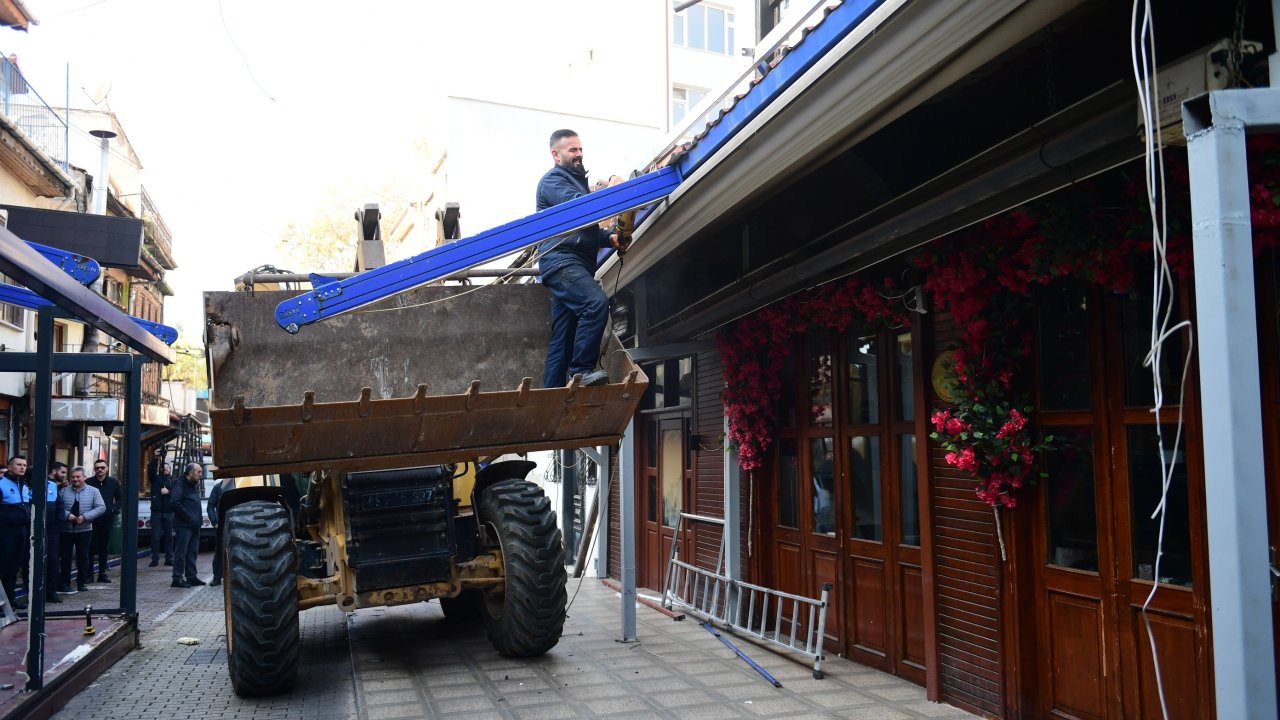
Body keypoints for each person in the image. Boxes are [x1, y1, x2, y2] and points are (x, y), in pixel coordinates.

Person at [536, 129, 624, 389]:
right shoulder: (553, 181)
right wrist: (611, 186)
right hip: (562, 261)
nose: (579, 154)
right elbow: (581, 209)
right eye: (572, 150)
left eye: (580, 149)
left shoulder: (576, 183)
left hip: (573, 264)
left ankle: (550, 397)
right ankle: (581, 371)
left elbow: (585, 230)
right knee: (595, 304)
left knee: (562, 339)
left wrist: (608, 238)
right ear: (556, 154)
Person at [58, 466, 104, 594]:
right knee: (65, 557)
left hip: (84, 530)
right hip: (66, 530)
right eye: (73, 477)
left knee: (83, 557)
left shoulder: (94, 491)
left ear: (84, 477)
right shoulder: (63, 491)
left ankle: (82, 582)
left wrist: (85, 517)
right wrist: (67, 515)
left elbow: (101, 507)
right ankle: (65, 582)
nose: (75, 479)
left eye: (78, 476)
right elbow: (58, 508)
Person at [0, 455, 30, 606]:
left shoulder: (23, 485)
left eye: (24, 465)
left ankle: (10, 600)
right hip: (6, 532)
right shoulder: (1, 484)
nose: (22, 467)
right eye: (19, 465)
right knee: (3, 566)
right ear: (9, 467)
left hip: (21, 530)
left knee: (13, 566)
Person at [170, 462, 205, 589]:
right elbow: (174, 503)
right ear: (190, 473)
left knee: (192, 552)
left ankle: (191, 576)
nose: (201, 474)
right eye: (199, 472)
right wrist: (189, 518)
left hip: (194, 526)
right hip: (184, 525)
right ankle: (177, 578)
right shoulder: (180, 484)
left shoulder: (192, 485)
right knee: (181, 552)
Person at [87, 460, 121, 583]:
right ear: (94, 469)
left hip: (107, 519)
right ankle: (89, 574)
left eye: (102, 467)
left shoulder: (113, 482)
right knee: (90, 547)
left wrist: (113, 509)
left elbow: (120, 498)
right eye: (97, 468)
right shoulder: (88, 482)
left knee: (103, 547)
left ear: (107, 468)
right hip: (92, 520)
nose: (100, 470)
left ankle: (102, 573)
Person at [43, 463, 66, 604]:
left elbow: (60, 507)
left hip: (52, 531)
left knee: (52, 560)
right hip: (33, 529)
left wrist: (57, 525)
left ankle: (51, 591)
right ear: (53, 471)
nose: (64, 475)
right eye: (62, 472)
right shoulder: (27, 485)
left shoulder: (53, 486)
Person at [206, 477, 232, 586]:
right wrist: (215, 522)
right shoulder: (218, 488)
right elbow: (210, 506)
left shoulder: (236, 486)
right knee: (220, 551)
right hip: (221, 525)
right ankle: (217, 577)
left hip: (234, 522)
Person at [147, 457, 173, 567]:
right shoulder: (156, 479)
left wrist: (168, 491)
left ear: (170, 469)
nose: (165, 469)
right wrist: (155, 458)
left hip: (169, 511)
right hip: (157, 511)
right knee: (155, 536)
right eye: (164, 467)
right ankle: (155, 559)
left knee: (169, 536)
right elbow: (151, 470)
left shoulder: (174, 480)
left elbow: (177, 493)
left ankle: (169, 559)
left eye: (167, 468)